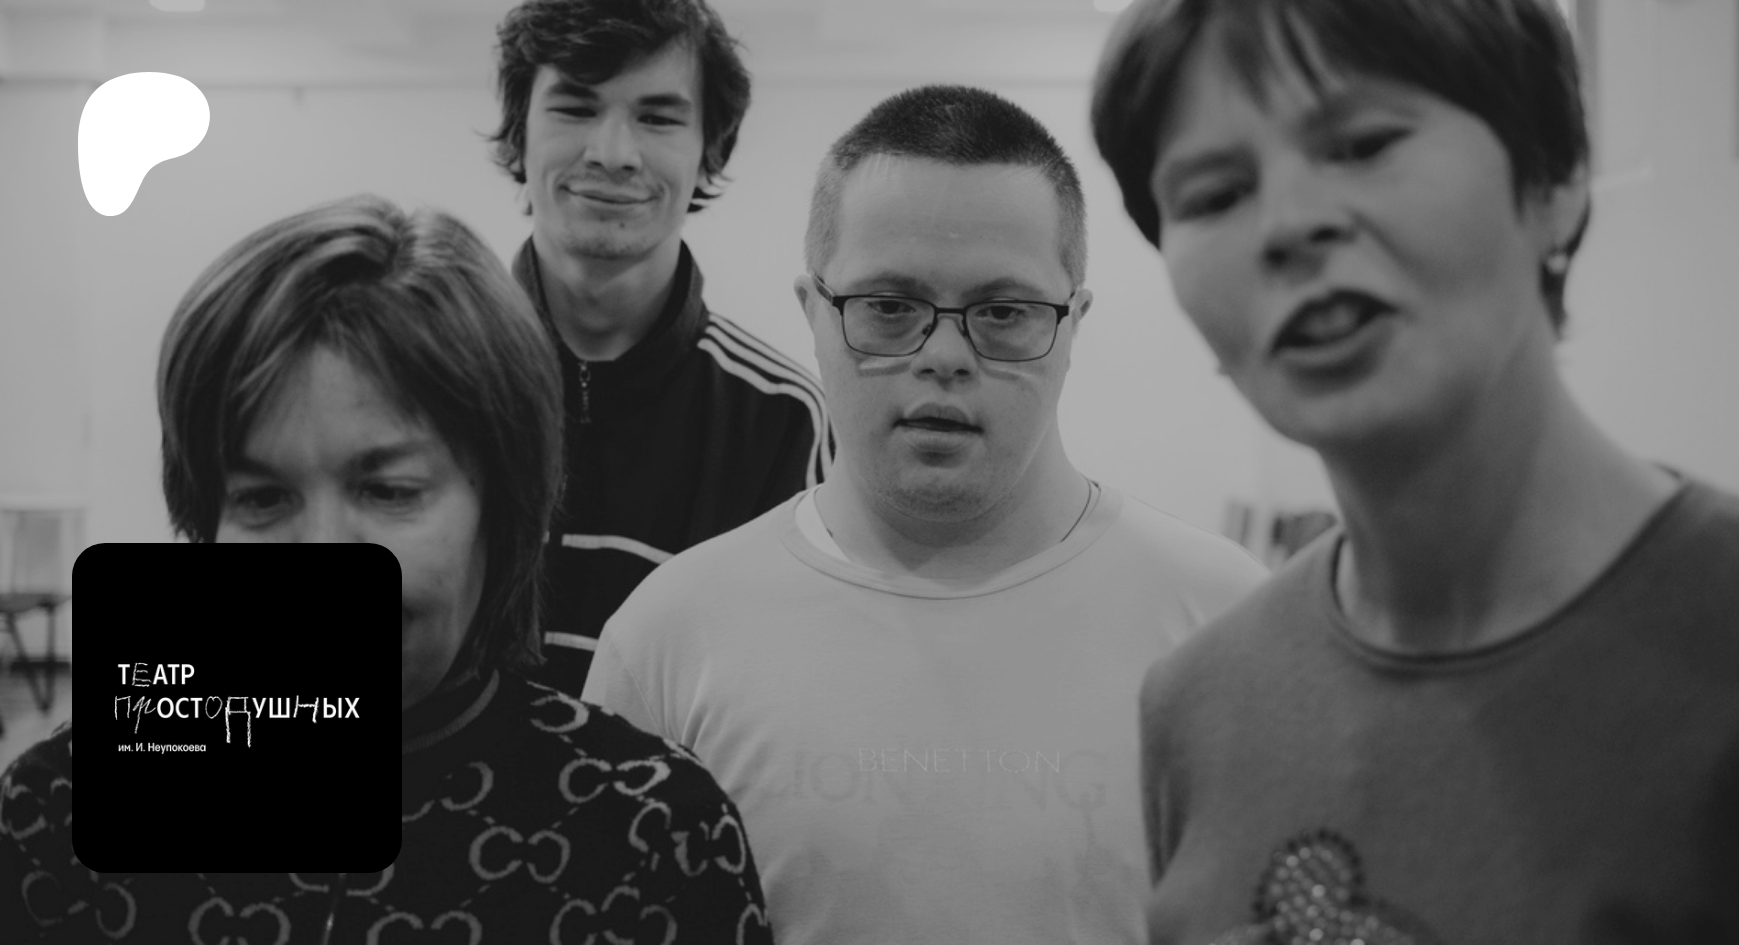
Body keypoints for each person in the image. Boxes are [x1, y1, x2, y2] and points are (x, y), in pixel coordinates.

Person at [1089, 1, 1739, 942]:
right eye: (1214, 195)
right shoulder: (1200, 702)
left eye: (1364, 145)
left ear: (1555, 180)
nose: (1288, 226)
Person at [581, 85, 1267, 944]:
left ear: (1074, 323)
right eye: (889, 307)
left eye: (1004, 313)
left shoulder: (1226, 629)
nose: (944, 354)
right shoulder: (669, 639)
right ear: (813, 312)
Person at [0, 196, 773, 943]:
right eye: (263, 498)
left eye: (389, 490)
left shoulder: (650, 838)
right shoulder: (56, 816)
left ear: (507, 510)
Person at [489, 0, 831, 695]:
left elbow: (785, 695)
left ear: (709, 152)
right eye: (576, 108)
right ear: (520, 136)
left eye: (658, 117)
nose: (613, 153)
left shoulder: (783, 418)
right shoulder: (427, 377)